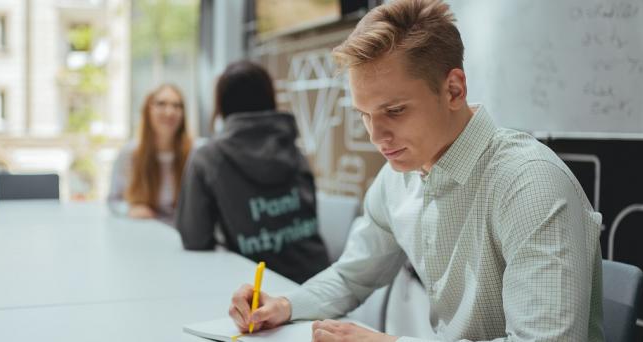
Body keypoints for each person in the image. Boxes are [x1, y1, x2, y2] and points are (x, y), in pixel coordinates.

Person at [228, 1, 604, 341]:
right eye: (364, 115)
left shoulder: (529, 184)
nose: (377, 136)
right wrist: (283, 306)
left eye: (394, 111)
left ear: (454, 90)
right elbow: (350, 276)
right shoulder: (398, 177)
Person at [175, 60, 330, 284]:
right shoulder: (292, 146)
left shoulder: (207, 158)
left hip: (259, 295)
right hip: (322, 286)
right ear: (269, 97)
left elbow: (194, 239)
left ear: (221, 104)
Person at [108, 84, 191, 225]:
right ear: (148, 110)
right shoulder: (130, 153)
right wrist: (129, 209)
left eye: (177, 106)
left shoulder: (195, 153)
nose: (170, 112)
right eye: (161, 104)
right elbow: (113, 200)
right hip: (145, 233)